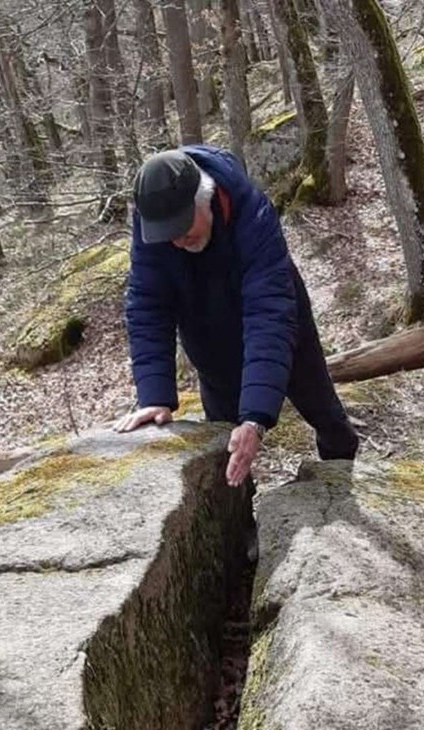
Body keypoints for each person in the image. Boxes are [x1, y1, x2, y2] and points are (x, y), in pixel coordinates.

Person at [113, 144, 358, 487]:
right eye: (168, 236)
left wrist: (256, 417)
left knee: (323, 410)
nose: (177, 243)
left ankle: (340, 477)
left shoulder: (251, 212)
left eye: (185, 230)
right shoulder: (152, 223)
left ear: (206, 198)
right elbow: (147, 307)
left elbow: (269, 313)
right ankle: (240, 515)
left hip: (280, 320)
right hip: (207, 332)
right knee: (227, 442)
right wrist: (154, 394)